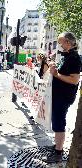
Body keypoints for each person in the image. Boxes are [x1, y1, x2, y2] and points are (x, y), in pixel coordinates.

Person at [43, 32, 81, 163]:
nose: (59, 45)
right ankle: (57, 146)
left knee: (59, 123)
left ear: (68, 43)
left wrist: (57, 74)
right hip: (59, 95)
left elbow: (75, 80)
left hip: (64, 97)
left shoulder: (74, 58)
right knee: (57, 121)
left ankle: (58, 152)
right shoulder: (67, 56)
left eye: (61, 42)